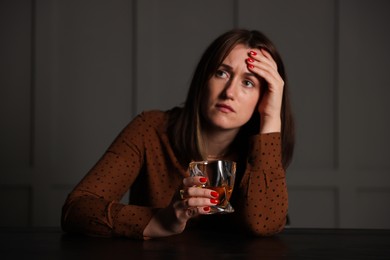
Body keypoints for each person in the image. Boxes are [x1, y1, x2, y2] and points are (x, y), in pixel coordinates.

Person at [61, 29, 295, 240]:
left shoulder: (262, 150)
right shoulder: (151, 129)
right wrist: (159, 221)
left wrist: (272, 118)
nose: (230, 92)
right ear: (203, 79)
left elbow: (264, 225)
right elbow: (77, 209)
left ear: (264, 98)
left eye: (248, 82)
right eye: (222, 73)